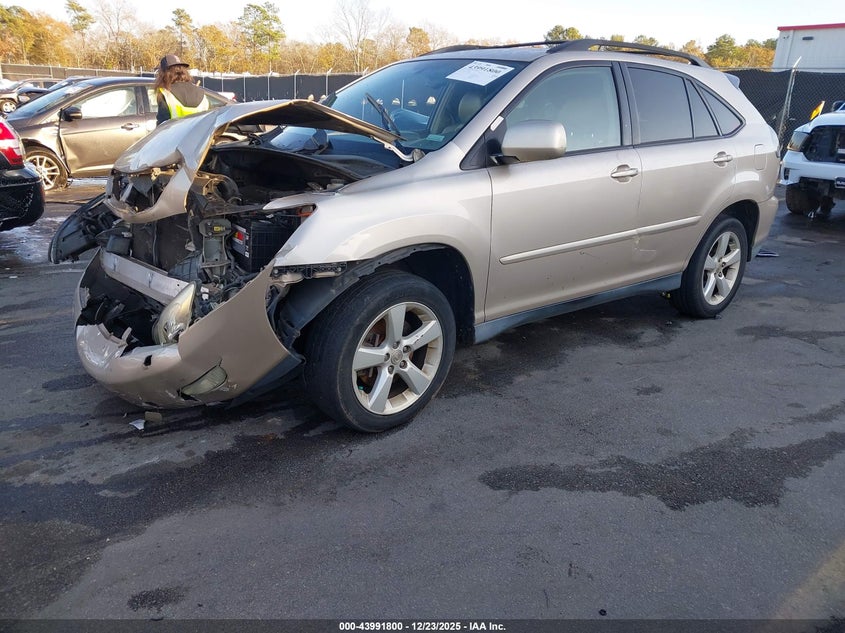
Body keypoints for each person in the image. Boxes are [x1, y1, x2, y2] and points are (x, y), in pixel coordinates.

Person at [154, 54, 210, 125]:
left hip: (175, 135)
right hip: (199, 135)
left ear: (163, 73)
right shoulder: (201, 93)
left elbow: (162, 125)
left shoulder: (166, 93)